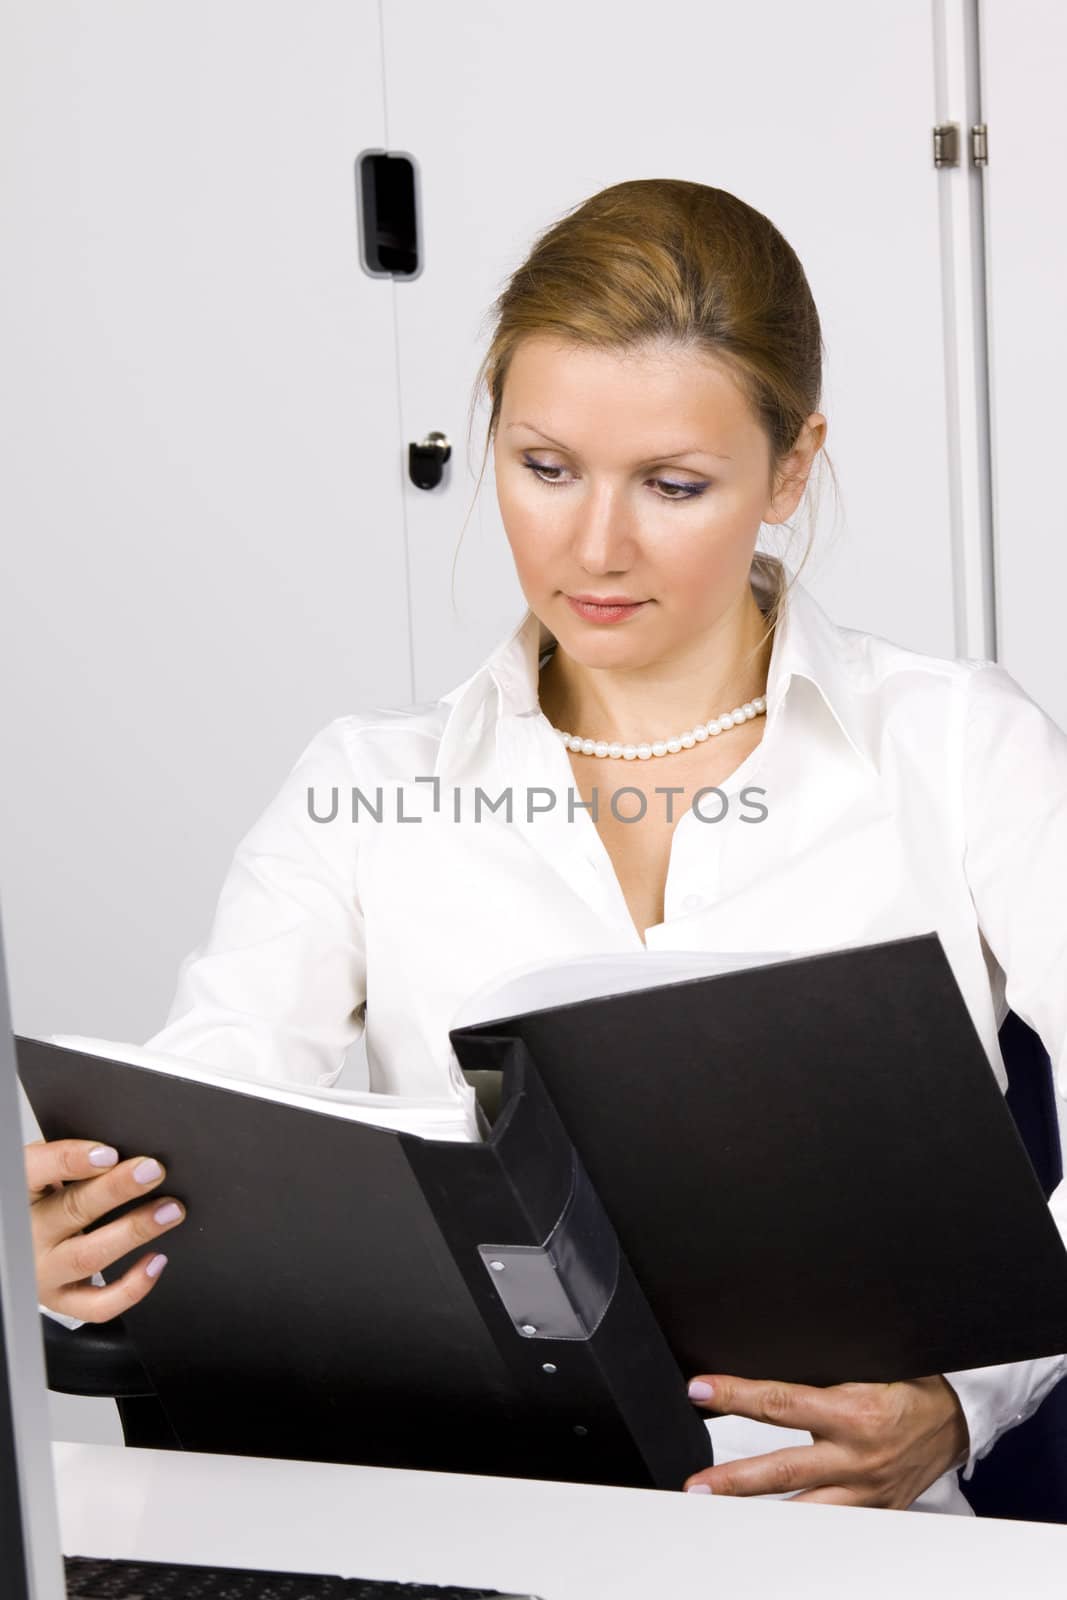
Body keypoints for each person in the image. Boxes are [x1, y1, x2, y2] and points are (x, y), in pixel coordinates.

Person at [24, 179, 1067, 1515]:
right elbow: (211, 1104)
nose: (595, 546)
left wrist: (965, 1405)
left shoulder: (957, 746)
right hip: (489, 1520)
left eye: (674, 485)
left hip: (856, 1548)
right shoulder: (369, 781)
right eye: (545, 467)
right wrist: (81, 1235)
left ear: (791, 469)